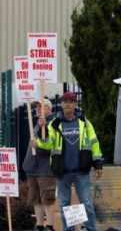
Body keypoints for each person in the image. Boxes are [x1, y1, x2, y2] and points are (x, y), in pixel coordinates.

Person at [33, 92, 103, 231]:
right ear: (61, 104)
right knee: (64, 205)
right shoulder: (54, 123)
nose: (68, 104)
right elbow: (48, 144)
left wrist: (98, 164)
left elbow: (94, 143)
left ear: (75, 104)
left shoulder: (84, 122)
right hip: (62, 172)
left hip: (81, 171)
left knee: (87, 204)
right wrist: (40, 138)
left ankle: (91, 229)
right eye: (65, 102)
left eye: (71, 101)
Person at [23, 99, 56, 231]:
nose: (37, 109)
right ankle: (39, 225)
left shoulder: (52, 124)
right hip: (33, 168)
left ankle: (50, 226)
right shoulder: (36, 124)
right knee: (35, 199)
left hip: (45, 169)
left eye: (41, 107)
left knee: (47, 199)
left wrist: (40, 144)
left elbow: (51, 145)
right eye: (37, 107)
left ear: (49, 109)